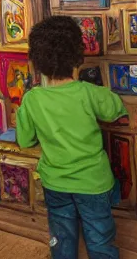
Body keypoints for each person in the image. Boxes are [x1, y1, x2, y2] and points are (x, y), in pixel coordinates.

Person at [17, 16, 129, 259]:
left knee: (62, 242)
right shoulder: (89, 93)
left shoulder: (32, 99)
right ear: (78, 55)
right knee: (100, 241)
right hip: (93, 183)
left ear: (37, 61)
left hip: (55, 182)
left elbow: (25, 140)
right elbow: (116, 110)